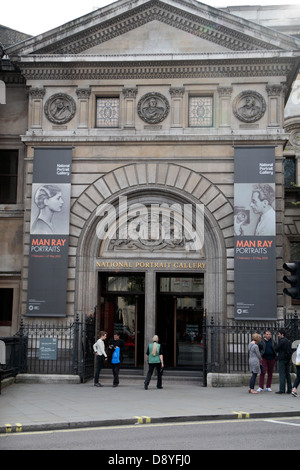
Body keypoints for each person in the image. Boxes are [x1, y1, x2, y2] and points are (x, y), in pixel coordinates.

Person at [275, 329, 292, 394]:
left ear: (282, 334)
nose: (278, 335)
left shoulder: (282, 341)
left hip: (282, 358)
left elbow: (277, 348)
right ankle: (289, 389)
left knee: (282, 374)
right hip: (287, 358)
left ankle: (282, 389)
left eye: (279, 334)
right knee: (287, 374)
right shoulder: (288, 341)